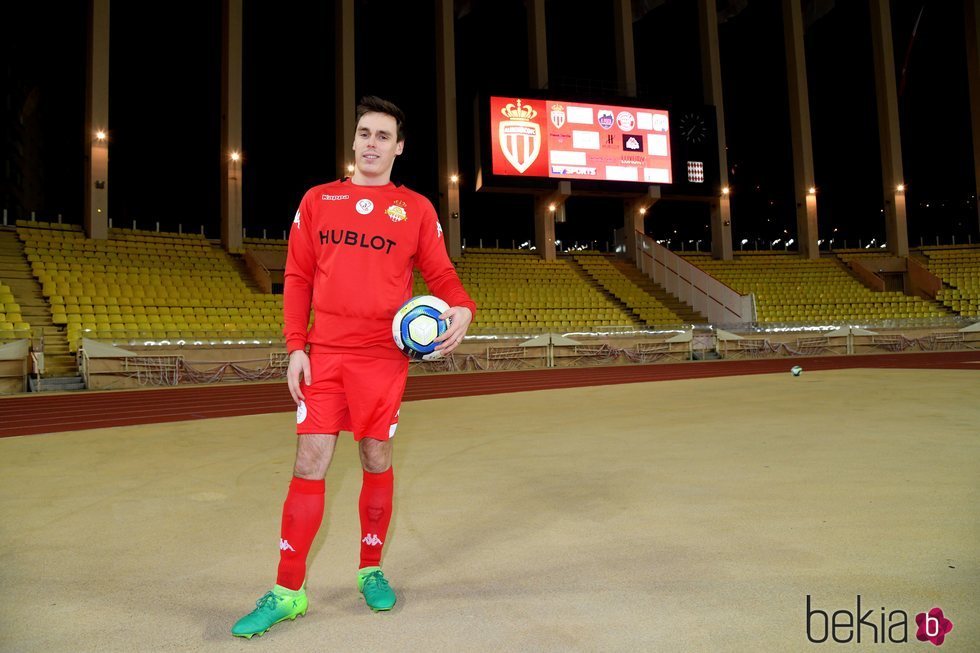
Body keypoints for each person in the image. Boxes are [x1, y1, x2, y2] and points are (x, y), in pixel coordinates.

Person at [232, 96, 475, 638]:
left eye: (383, 136)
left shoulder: (415, 209)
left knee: (375, 451)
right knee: (309, 460)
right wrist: (297, 346)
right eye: (364, 133)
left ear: (399, 147)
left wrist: (462, 308)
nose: (371, 143)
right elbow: (296, 276)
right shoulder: (319, 200)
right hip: (326, 354)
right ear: (354, 140)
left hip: (384, 358)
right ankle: (287, 592)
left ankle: (370, 569)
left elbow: (443, 276)